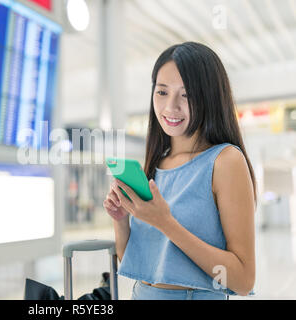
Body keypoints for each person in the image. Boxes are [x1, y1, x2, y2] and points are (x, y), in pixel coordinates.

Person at [103, 42, 256, 300]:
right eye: (162, 92)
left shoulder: (225, 161)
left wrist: (166, 223)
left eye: (186, 95)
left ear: (209, 97)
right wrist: (121, 220)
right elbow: (142, 264)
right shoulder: (155, 163)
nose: (170, 107)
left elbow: (242, 279)